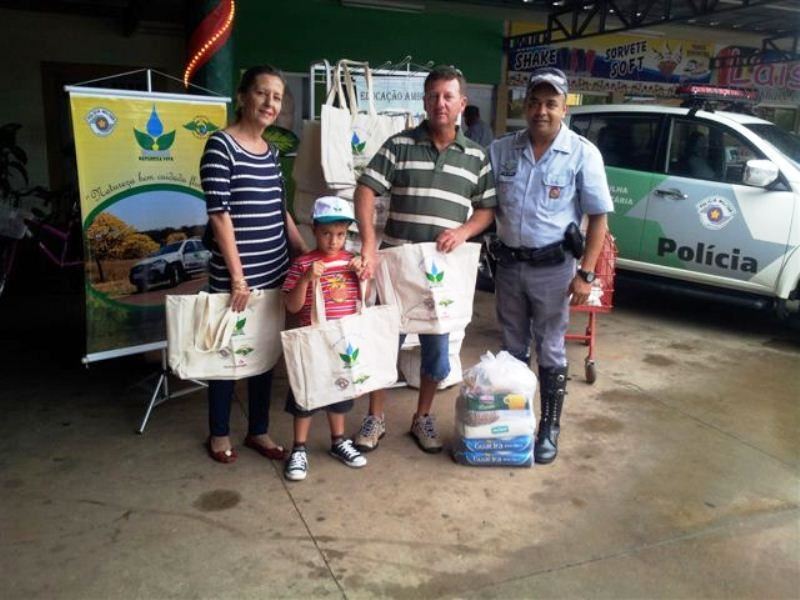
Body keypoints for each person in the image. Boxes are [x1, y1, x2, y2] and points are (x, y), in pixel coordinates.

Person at [353, 65, 497, 454]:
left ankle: (423, 416)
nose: (440, 103)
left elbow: (487, 209)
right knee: (385, 344)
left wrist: (464, 232)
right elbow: (366, 190)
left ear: (462, 104)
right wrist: (369, 244)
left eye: (448, 96)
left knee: (436, 350)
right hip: (398, 269)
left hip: (442, 274)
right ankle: (376, 417)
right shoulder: (399, 145)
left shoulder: (476, 157)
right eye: (433, 96)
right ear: (424, 101)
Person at [488, 67, 613, 465]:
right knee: (511, 348)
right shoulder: (502, 150)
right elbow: (485, 204)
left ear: (564, 109)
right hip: (508, 266)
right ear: (525, 106)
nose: (542, 110)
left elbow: (598, 220)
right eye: (535, 102)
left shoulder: (582, 153)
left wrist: (586, 273)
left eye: (551, 103)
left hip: (554, 270)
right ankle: (514, 421)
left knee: (552, 349)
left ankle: (548, 427)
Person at [200, 65, 307, 464]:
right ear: (243, 97)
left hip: (275, 271)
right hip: (235, 280)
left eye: (277, 97)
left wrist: (303, 252)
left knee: (263, 355)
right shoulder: (220, 146)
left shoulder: (273, 153)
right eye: (262, 93)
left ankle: (258, 431)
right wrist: (238, 277)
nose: (269, 103)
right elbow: (219, 215)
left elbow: (280, 209)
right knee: (226, 356)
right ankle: (218, 433)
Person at [282, 196, 368, 481]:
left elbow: (362, 300)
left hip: (342, 341)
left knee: (340, 392)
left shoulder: (350, 261)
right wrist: (306, 279)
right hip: (312, 341)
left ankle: (338, 440)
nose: (334, 241)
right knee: (306, 395)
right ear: (314, 230)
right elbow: (292, 307)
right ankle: (299, 448)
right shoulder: (302, 264)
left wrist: (362, 277)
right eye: (327, 234)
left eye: (341, 234)